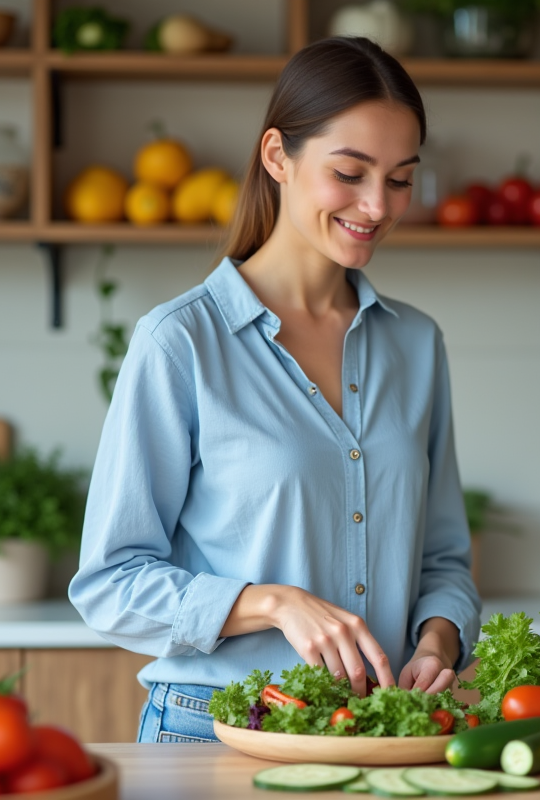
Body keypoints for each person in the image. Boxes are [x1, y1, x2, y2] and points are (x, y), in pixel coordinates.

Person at [69, 36, 481, 745]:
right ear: (276, 157)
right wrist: (271, 604)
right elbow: (111, 583)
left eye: (402, 179)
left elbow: (443, 559)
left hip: (377, 731)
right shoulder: (181, 342)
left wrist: (440, 640)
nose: (377, 205)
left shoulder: (417, 345)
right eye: (349, 172)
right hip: (210, 731)